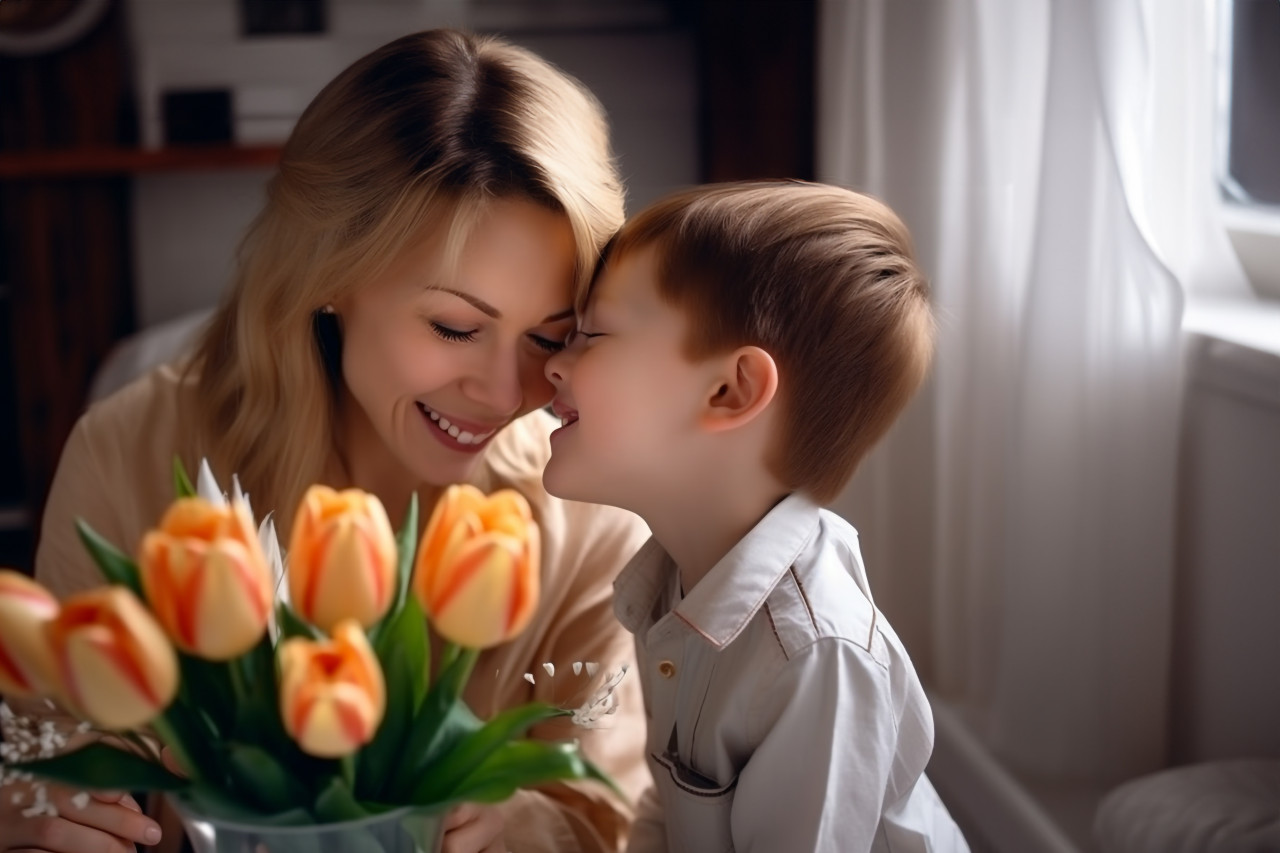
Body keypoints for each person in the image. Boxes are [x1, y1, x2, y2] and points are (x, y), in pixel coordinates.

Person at [0, 28, 651, 853]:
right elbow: (53, 752)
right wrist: (36, 804)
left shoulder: (589, 519)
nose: (503, 391)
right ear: (329, 274)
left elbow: (612, 815)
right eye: (455, 327)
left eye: (548, 337)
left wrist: (537, 825)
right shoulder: (132, 451)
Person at [541, 180, 971, 852]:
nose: (553, 365)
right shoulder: (675, 584)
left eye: (591, 334)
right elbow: (671, 805)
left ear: (730, 390)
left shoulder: (813, 654)